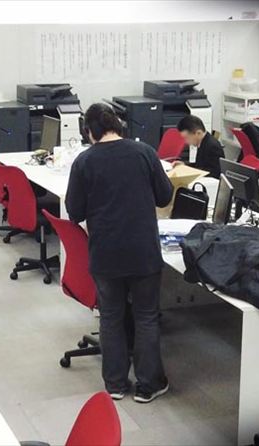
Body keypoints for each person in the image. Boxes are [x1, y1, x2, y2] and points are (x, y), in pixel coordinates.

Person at [66, 103, 173, 404]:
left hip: (106, 253)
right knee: (146, 316)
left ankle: (115, 384)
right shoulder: (144, 153)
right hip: (143, 251)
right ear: (118, 125)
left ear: (90, 131)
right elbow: (165, 196)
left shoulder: (84, 162)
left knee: (111, 318)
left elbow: (74, 212)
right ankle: (149, 385)